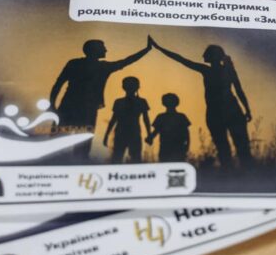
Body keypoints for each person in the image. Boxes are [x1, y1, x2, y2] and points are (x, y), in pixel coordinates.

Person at [151, 38, 252, 168]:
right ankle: (243, 172)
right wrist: (247, 110)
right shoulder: (226, 70)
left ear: (212, 56)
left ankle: (232, 171)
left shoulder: (209, 71)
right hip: (230, 110)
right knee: (241, 147)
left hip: (218, 112)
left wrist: (159, 48)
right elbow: (239, 91)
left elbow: (181, 59)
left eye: (206, 54)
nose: (203, 56)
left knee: (224, 147)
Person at [49, 39, 150, 161]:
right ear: (94, 50)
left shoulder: (75, 64)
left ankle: (56, 162)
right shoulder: (102, 67)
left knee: (59, 140)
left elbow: (58, 84)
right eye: (103, 48)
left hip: (69, 106)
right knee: (80, 143)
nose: (106, 50)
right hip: (84, 109)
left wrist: (52, 105)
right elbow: (126, 61)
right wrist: (146, 50)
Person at [103, 76, 151, 164]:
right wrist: (149, 134)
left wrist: (106, 135)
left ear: (123, 87)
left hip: (127, 132)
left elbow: (113, 120)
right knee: (127, 158)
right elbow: (113, 119)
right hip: (130, 132)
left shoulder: (120, 102)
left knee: (121, 158)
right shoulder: (139, 101)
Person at [147, 92, 191, 162]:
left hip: (176, 147)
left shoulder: (163, 117)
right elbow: (187, 133)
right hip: (168, 147)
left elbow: (186, 133)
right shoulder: (180, 117)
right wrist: (150, 138)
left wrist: (150, 138)